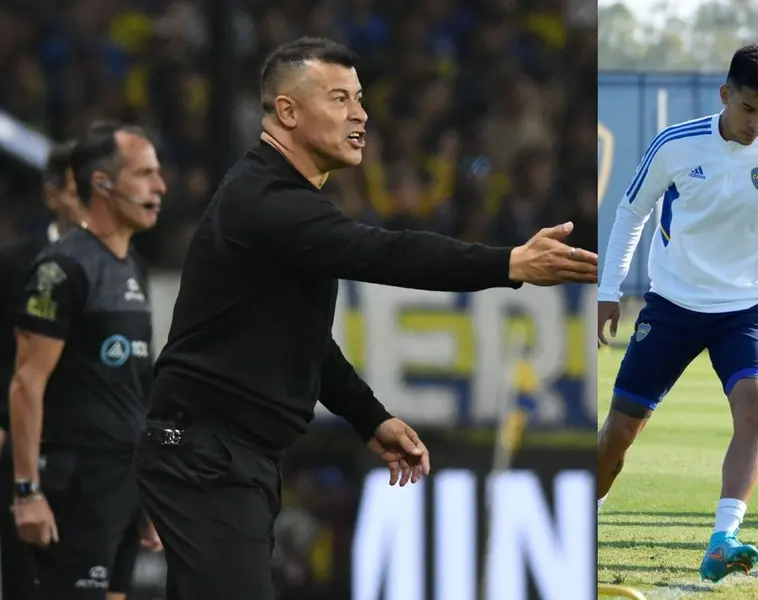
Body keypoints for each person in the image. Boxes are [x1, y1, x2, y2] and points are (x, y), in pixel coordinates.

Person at [133, 37, 596, 600]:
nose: (360, 114)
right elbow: (383, 251)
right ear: (287, 111)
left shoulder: (278, 201)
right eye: (338, 99)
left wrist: (368, 416)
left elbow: (302, 336)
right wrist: (510, 262)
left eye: (359, 98)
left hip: (224, 456)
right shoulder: (267, 201)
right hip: (206, 457)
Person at [595, 43, 758, 583]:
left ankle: (723, 538)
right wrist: (609, 288)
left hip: (745, 312)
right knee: (620, 431)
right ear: (725, 94)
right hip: (672, 306)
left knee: (757, 407)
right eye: (749, 109)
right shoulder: (674, 144)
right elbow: (631, 212)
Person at [9, 122, 165, 599]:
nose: (159, 187)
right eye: (144, 174)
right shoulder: (62, 269)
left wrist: (146, 495)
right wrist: (27, 492)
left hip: (121, 484)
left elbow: (135, 392)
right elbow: (26, 384)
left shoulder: (132, 265)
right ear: (101, 184)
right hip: (75, 486)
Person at [0, 141, 81, 600]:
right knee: (25, 580)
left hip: (94, 451)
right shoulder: (13, 263)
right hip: (25, 442)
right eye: (76, 188)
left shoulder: (125, 265)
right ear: (51, 195)